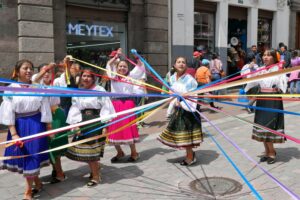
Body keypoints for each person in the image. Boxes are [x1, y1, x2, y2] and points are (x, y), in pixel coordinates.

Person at [0, 59, 52, 200]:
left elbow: (45, 107)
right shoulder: (10, 89)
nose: (29, 71)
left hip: (36, 125)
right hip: (20, 126)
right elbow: (8, 112)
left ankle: (28, 191)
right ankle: (38, 183)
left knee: (32, 156)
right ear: (17, 71)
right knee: (26, 156)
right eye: (25, 68)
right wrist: (14, 134)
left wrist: (48, 127)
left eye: (31, 68)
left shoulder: (38, 87)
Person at [65, 68, 115, 187]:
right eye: (84, 76)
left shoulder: (99, 90)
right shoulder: (79, 92)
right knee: (86, 151)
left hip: (96, 121)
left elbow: (106, 107)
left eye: (89, 76)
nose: (86, 78)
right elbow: (75, 108)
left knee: (92, 151)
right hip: (83, 122)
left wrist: (105, 125)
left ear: (93, 78)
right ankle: (95, 170)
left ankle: (96, 176)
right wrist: (76, 124)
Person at [158, 57, 203, 166]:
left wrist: (182, 102)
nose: (181, 64)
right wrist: (173, 99)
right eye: (179, 62)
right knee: (181, 134)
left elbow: (194, 96)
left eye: (183, 62)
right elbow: (172, 91)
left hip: (187, 111)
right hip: (177, 111)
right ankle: (190, 154)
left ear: (186, 66)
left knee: (187, 135)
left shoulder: (190, 79)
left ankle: (190, 157)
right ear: (174, 65)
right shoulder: (172, 78)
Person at [245, 49, 287, 164]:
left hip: (272, 99)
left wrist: (281, 87)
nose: (265, 57)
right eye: (264, 55)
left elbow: (283, 84)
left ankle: (272, 152)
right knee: (262, 125)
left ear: (273, 57)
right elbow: (252, 80)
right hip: (262, 99)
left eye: (268, 55)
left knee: (269, 125)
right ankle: (267, 151)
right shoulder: (261, 70)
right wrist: (252, 70)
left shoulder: (278, 69)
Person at [106, 48, 145, 162]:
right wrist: (115, 57)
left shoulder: (131, 76)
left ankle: (134, 153)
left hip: (128, 104)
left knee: (128, 128)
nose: (122, 68)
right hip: (115, 105)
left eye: (125, 66)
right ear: (116, 68)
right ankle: (119, 152)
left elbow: (141, 67)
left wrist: (136, 56)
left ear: (128, 68)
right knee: (114, 129)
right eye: (120, 66)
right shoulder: (113, 77)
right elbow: (108, 64)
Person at [32, 63, 68, 184]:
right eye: (44, 71)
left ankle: (59, 173)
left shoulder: (56, 83)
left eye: (49, 71)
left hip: (56, 116)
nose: (46, 73)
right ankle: (55, 171)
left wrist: (66, 64)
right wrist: (45, 70)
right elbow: (34, 79)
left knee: (54, 145)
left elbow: (67, 77)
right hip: (41, 118)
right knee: (46, 145)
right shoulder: (36, 85)